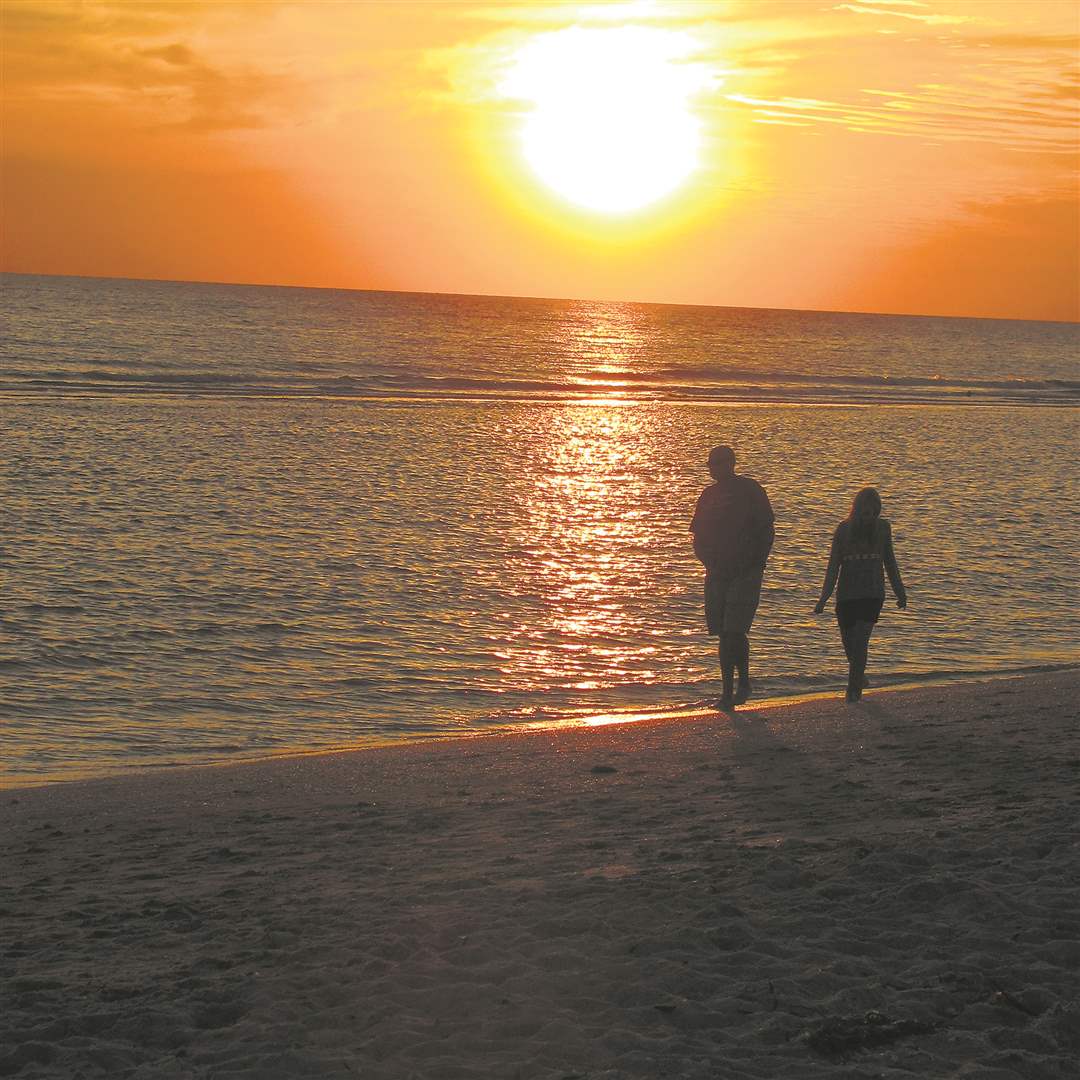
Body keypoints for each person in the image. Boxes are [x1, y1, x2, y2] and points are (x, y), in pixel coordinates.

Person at [690, 446, 775, 710]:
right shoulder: (708, 495)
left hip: (745, 571)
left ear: (732, 463)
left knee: (734, 630)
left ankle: (736, 688)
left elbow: (766, 529)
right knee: (723, 632)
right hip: (717, 571)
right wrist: (706, 560)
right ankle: (731, 688)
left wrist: (757, 563)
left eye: (719, 463)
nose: (715, 468)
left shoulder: (750, 490)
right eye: (711, 464)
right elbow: (697, 534)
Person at [814, 487, 907, 701]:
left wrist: (899, 592)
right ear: (857, 511)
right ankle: (859, 676)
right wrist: (823, 599)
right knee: (849, 645)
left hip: (872, 593)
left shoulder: (883, 528)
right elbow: (833, 567)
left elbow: (890, 562)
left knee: (861, 641)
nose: (870, 518)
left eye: (874, 513)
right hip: (847, 595)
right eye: (866, 514)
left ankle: (852, 690)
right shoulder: (843, 530)